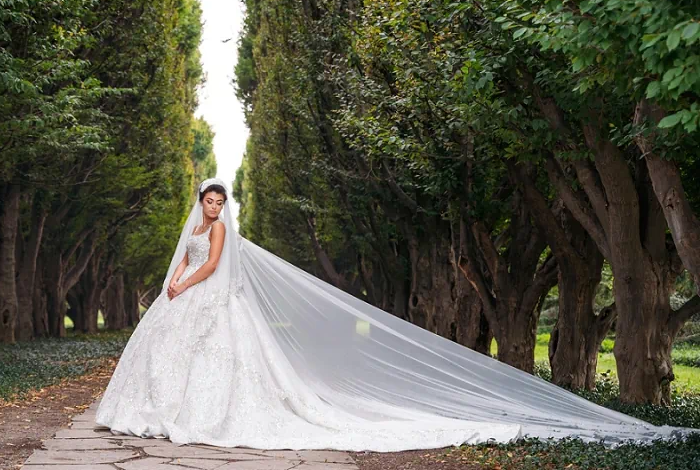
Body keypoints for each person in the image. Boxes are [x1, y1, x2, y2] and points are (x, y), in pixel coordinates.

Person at [95, 177, 690, 451]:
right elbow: (186, 259)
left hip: (201, 298)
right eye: (209, 199)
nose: (214, 205)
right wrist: (173, 283)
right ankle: (157, 410)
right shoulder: (194, 226)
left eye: (220, 199)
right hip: (183, 298)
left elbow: (211, 266)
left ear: (226, 205)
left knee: (221, 360)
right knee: (173, 355)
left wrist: (181, 284)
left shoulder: (221, 230)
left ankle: (201, 414)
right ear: (199, 201)